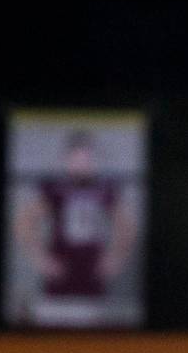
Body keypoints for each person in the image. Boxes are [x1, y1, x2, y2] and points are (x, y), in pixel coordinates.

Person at [15, 130, 138, 327]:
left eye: (86, 157)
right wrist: (40, 259)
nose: (82, 163)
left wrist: (116, 257)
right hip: (61, 270)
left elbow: (126, 225)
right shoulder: (55, 188)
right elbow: (24, 222)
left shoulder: (104, 188)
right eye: (77, 158)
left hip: (92, 271)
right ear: (67, 159)